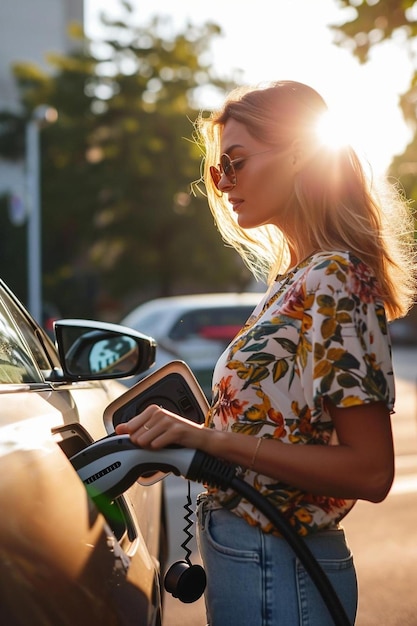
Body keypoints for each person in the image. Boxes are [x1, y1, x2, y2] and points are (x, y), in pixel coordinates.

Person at [115, 80, 417, 625]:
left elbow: (371, 472)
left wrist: (206, 439)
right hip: (254, 558)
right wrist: (173, 441)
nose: (225, 183)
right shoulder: (294, 279)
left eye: (236, 162)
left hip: (280, 566)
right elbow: (275, 430)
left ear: (300, 152)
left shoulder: (335, 276)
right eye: (217, 171)